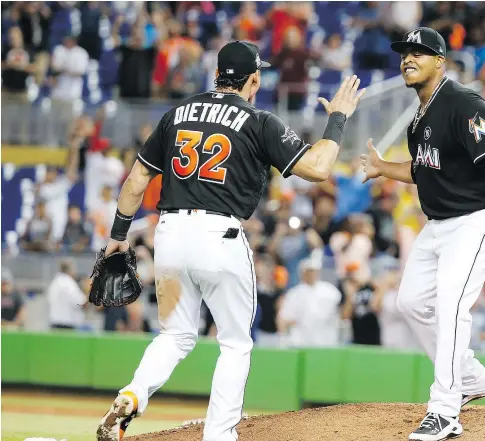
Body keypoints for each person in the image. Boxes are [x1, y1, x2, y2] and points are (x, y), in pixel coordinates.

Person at [96, 40, 366, 441]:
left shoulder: (177, 114)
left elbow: (137, 180)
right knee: (236, 343)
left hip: (168, 235)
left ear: (217, 73)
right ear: (253, 79)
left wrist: (118, 236)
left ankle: (134, 394)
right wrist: (339, 118)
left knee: (174, 333)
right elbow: (319, 167)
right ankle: (219, 435)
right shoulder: (259, 120)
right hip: (219, 236)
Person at [360, 27, 485, 441]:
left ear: (441, 61)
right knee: (410, 301)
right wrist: (385, 167)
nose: (409, 58)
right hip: (441, 223)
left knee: (452, 300)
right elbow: (423, 170)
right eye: (405, 53)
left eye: (419, 52)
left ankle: (445, 410)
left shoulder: (460, 101)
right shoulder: (419, 121)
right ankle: (470, 377)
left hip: (483, 215)